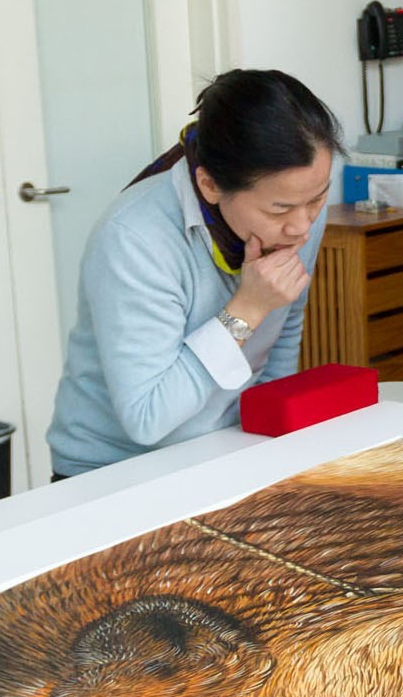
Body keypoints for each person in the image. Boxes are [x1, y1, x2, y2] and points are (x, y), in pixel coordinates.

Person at [47, 70, 340, 476]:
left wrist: (271, 438)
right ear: (210, 185)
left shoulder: (298, 208)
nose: (302, 228)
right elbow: (147, 419)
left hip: (227, 450)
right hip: (113, 472)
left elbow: (284, 330)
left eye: (318, 199)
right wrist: (246, 310)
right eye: (279, 210)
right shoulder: (135, 238)